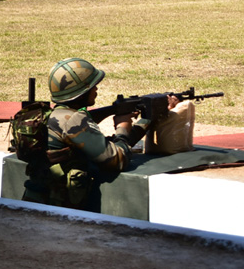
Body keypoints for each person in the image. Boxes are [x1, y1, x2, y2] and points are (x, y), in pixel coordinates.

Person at [22, 58, 172, 211]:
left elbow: (99, 146)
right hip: (59, 207)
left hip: (39, 199)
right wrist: (124, 127)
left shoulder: (53, 115)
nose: (96, 89)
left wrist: (120, 113)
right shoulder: (73, 120)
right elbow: (118, 159)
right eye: (93, 86)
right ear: (82, 91)